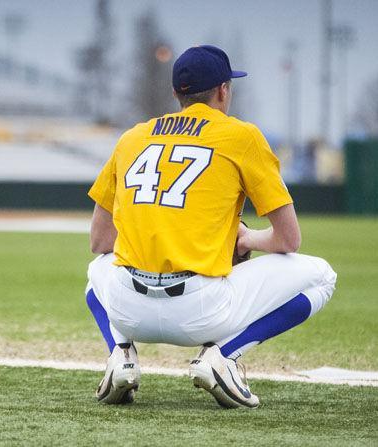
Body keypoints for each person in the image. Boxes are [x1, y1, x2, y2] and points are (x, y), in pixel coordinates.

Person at [84, 45, 337, 408]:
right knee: (323, 275)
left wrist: (155, 236)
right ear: (223, 90)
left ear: (176, 93)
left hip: (130, 309)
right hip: (201, 311)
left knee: (96, 270)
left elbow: (99, 240)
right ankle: (223, 357)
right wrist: (248, 237)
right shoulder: (241, 136)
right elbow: (288, 239)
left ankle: (120, 355)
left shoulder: (132, 138)